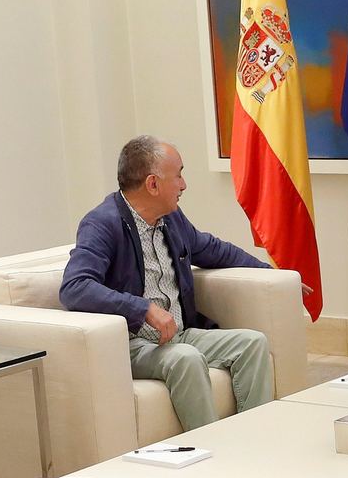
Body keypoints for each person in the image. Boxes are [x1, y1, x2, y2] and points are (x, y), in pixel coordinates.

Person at [61, 136, 275, 430]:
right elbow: (75, 287)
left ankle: (257, 437)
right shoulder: (102, 223)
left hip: (179, 333)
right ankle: (215, 453)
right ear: (153, 184)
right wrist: (143, 308)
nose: (184, 185)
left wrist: (270, 272)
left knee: (252, 343)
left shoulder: (171, 219)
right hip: (133, 343)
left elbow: (212, 249)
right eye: (179, 175)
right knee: (185, 358)